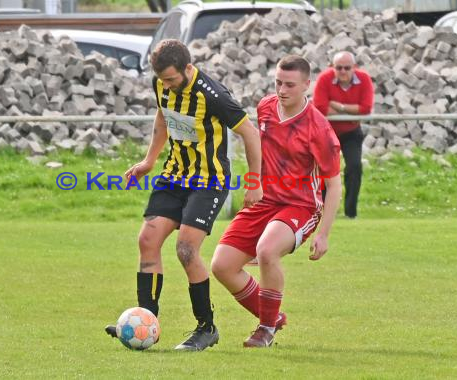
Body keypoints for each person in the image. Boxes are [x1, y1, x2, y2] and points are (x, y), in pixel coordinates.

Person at [104, 39, 263, 351]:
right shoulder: (162, 84)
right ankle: (145, 320)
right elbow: (163, 117)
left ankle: (206, 328)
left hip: (209, 181)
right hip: (174, 175)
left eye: (172, 79)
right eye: (163, 80)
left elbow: (251, 134)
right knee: (147, 240)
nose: (167, 85)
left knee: (186, 250)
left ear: (188, 68)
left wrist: (254, 183)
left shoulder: (213, 95)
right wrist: (149, 161)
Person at [211, 55, 342, 348]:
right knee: (222, 266)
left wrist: (323, 234)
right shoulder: (266, 107)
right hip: (264, 201)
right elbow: (256, 146)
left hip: (300, 206)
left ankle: (266, 330)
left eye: (290, 85)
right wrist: (253, 182)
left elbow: (334, 185)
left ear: (307, 85)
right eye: (278, 83)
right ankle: (272, 316)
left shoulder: (319, 129)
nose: (282, 90)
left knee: (267, 250)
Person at [312, 51, 374, 218]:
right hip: (326, 132)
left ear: (354, 68)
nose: (343, 72)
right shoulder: (325, 79)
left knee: (354, 167)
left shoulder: (364, 79)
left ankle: (350, 213)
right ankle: (323, 212)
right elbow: (320, 106)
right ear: (332, 68)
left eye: (347, 68)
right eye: (339, 68)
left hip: (351, 133)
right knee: (324, 171)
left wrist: (338, 106)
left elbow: (366, 108)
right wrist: (352, 111)